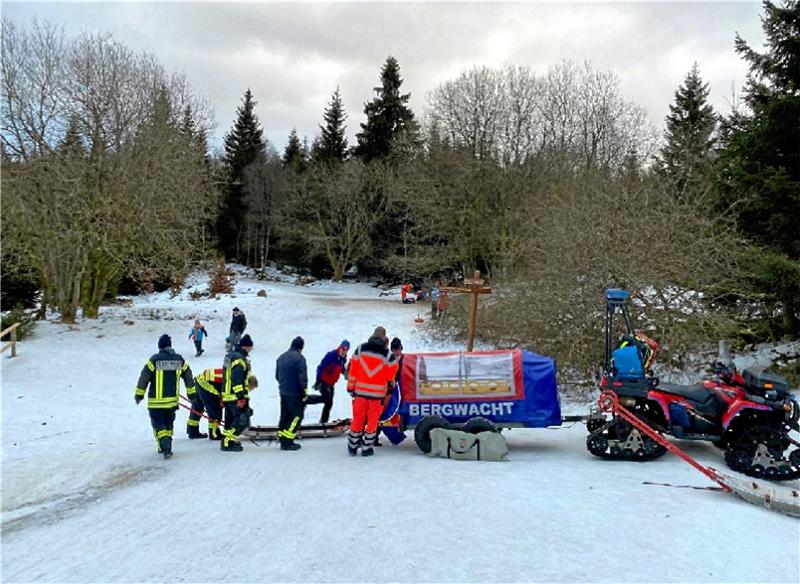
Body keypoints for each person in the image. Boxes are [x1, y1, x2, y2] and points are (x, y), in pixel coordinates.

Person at [135, 334, 195, 459]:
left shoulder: (155, 360)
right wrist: (191, 393)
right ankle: (166, 445)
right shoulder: (179, 360)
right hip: (172, 402)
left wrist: (139, 394)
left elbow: (144, 377)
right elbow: (188, 375)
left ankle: (165, 447)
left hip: (156, 402)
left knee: (158, 425)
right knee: (168, 425)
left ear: (160, 346)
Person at [346, 327, 398, 457]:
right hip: (377, 395)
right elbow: (391, 373)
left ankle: (352, 446)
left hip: (360, 393)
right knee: (372, 421)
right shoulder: (387, 355)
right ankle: (366, 448)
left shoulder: (360, 349)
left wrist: (350, 387)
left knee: (358, 419)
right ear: (384, 339)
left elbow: (353, 370)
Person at [194, 368, 258, 441]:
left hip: (202, 379)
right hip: (205, 383)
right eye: (249, 389)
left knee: (198, 407)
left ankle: (192, 431)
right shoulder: (237, 382)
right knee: (215, 410)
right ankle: (214, 434)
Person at [220, 334, 255, 452]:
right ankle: (227, 441)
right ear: (246, 347)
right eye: (250, 347)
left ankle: (228, 441)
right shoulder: (239, 359)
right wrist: (240, 397)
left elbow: (226, 376)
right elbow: (237, 378)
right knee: (242, 419)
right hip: (235, 395)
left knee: (231, 421)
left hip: (227, 394)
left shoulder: (230, 356)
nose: (251, 350)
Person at [276, 336, 308, 451]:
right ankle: (288, 441)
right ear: (301, 347)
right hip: (295, 393)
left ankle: (282, 439)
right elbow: (302, 378)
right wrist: (304, 392)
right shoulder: (300, 359)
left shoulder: (281, 357)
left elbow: (277, 376)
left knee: (284, 416)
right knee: (297, 416)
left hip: (283, 391)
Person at [309, 340, 350, 424]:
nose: (344, 351)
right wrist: (318, 381)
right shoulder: (331, 355)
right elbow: (321, 367)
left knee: (329, 402)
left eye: (346, 350)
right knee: (327, 400)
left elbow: (341, 369)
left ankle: (323, 422)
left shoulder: (343, 358)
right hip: (323, 381)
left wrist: (347, 374)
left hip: (331, 383)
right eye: (343, 349)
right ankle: (307, 400)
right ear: (340, 347)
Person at [375, 337, 403, 447]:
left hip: (401, 391)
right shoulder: (387, 360)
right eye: (394, 349)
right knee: (383, 414)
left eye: (398, 348)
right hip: (387, 392)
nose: (396, 351)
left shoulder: (405, 359)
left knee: (397, 414)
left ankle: (397, 433)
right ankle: (374, 436)